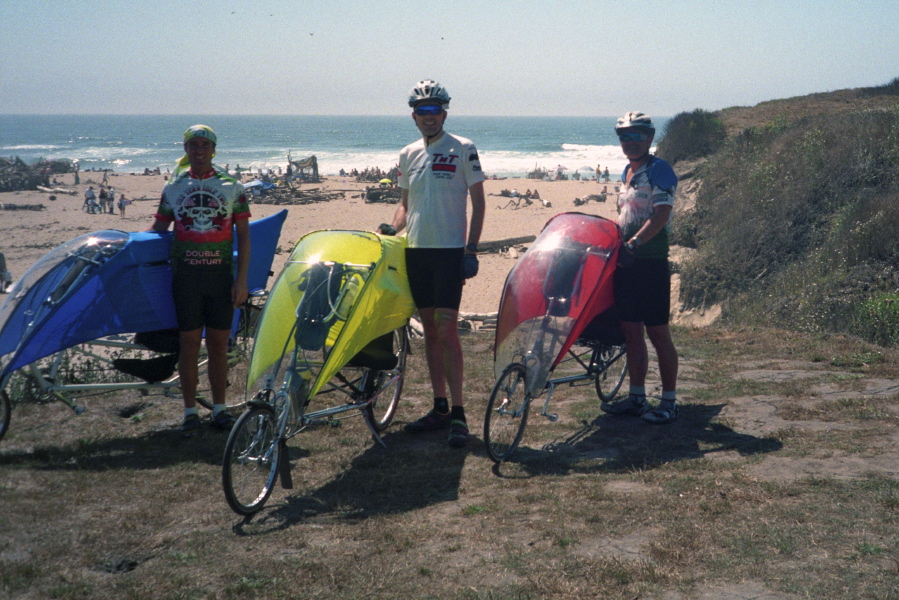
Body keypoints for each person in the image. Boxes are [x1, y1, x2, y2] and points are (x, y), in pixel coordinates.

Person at [379, 79, 485, 448]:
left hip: (449, 251)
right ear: (414, 115)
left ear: (444, 112)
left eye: (434, 110)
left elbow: (480, 203)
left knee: (447, 329)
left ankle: (458, 413)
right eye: (422, 111)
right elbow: (405, 205)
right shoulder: (407, 153)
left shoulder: (463, 148)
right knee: (427, 327)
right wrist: (390, 230)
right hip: (416, 251)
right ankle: (439, 407)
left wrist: (471, 250)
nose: (428, 116)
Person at [150, 124, 251, 436]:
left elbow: (245, 237)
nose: (199, 150)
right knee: (189, 344)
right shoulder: (173, 187)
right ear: (186, 149)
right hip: (186, 278)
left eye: (205, 145)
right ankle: (190, 412)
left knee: (219, 344)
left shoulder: (232, 186)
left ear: (213, 149)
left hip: (221, 276)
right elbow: (157, 231)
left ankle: (220, 410)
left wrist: (242, 280)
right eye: (194, 145)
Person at [600, 112, 680, 424]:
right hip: (626, 263)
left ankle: (669, 403)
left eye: (637, 136)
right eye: (625, 137)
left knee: (658, 334)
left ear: (650, 138)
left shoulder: (660, 170)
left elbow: (661, 214)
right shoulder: (627, 172)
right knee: (631, 331)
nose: (630, 142)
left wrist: (634, 242)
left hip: (650, 262)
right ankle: (636, 398)